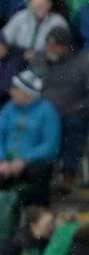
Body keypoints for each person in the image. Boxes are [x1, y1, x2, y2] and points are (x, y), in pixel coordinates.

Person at [0, 71, 62, 207]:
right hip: (8, 161)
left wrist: (24, 160)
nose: (11, 92)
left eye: (15, 89)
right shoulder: (9, 108)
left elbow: (50, 145)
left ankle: (38, 213)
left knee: (39, 171)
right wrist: (0, 160)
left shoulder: (48, 111)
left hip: (33, 162)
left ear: (27, 93)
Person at [33, 28, 89, 190]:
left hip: (73, 111)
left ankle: (68, 173)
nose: (49, 49)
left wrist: (73, 109)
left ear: (66, 46)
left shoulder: (82, 63)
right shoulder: (40, 60)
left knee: (73, 126)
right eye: (48, 45)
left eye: (54, 46)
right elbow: (31, 85)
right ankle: (39, 172)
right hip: (43, 111)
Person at [3, 0, 69, 56]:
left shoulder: (58, 23)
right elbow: (5, 38)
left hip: (45, 63)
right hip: (18, 59)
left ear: (48, 4)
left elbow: (59, 51)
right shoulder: (21, 16)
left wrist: (38, 56)